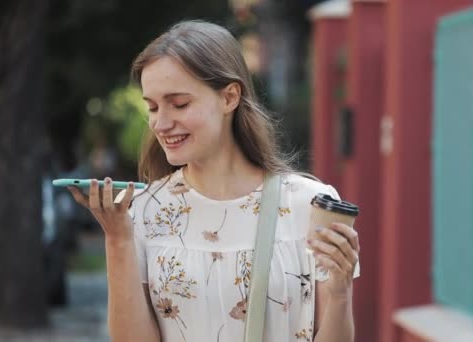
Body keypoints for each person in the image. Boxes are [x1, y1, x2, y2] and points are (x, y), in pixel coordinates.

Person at [68, 20, 360, 342]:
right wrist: (117, 239)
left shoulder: (309, 205)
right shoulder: (147, 210)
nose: (160, 123)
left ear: (229, 97)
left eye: (179, 104)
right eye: (152, 107)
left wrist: (341, 292)